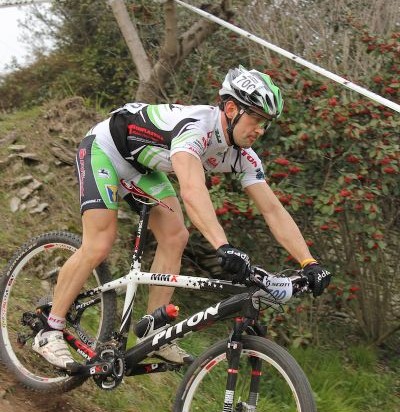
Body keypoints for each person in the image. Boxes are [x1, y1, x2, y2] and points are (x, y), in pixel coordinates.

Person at [33, 65, 331, 369]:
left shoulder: (244, 156)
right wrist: (223, 246)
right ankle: (49, 329)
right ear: (231, 109)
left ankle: (153, 332)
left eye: (265, 123)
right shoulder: (196, 128)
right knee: (100, 242)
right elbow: (192, 189)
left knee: (175, 236)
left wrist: (308, 262)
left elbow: (272, 209)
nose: (260, 130)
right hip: (105, 149)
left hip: (142, 167)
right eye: (256, 119)